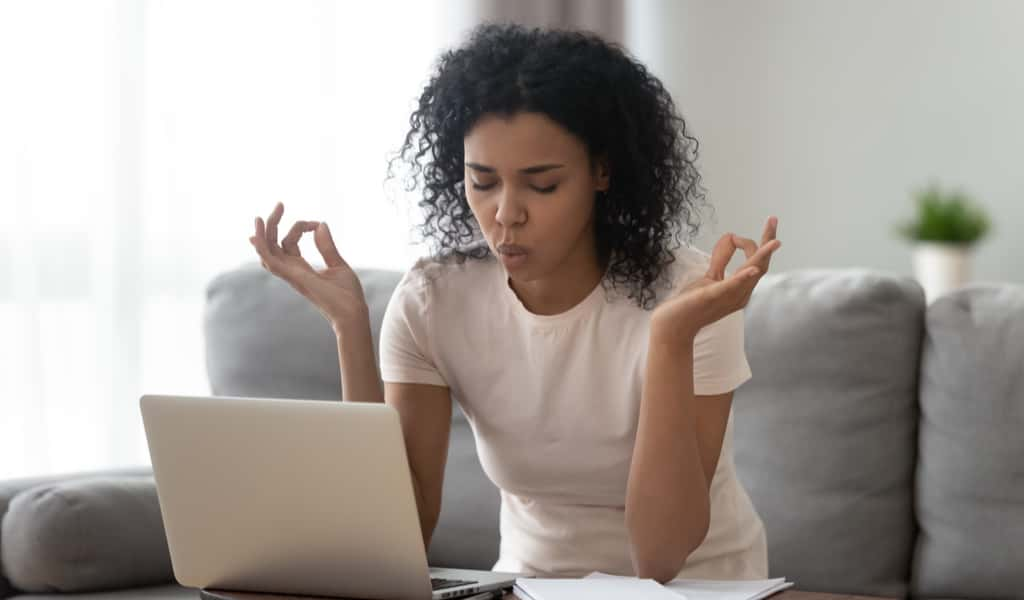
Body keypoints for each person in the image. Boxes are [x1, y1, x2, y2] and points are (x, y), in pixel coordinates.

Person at [248, 23, 781, 584]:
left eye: (542, 185)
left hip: (702, 589)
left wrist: (670, 339)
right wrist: (350, 328)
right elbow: (392, 537)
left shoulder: (692, 294)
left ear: (602, 172)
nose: (506, 213)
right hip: (528, 586)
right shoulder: (434, 302)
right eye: (483, 182)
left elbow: (660, 557)